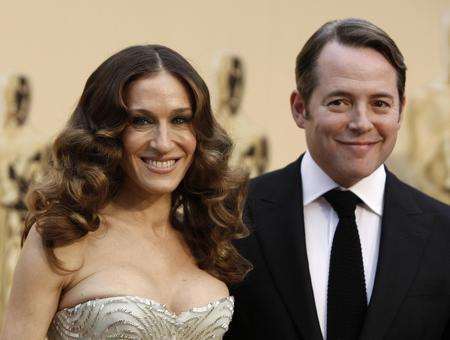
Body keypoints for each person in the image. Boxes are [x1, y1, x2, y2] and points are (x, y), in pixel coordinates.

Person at [0, 44, 251, 339]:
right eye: (141, 121)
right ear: (106, 131)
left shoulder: (207, 239)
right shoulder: (63, 236)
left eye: (180, 120)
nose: (163, 142)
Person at [226, 18, 450, 340]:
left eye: (380, 104)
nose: (361, 122)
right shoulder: (230, 216)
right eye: (340, 102)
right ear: (300, 108)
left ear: (400, 111)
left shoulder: (443, 234)